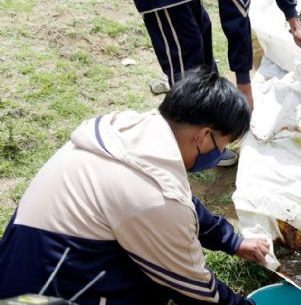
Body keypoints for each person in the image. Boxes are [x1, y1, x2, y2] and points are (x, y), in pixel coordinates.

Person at [0, 69, 268, 304]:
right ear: (203, 136)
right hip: (45, 292)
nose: (220, 155)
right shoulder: (154, 196)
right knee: (156, 280)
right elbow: (193, 288)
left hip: (19, 270)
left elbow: (181, 199)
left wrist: (234, 241)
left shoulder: (129, 134)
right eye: (222, 147)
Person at [124, 0, 301, 167]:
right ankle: (178, 153)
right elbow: (235, 11)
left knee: (200, 35)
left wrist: (294, 22)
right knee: (185, 61)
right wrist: (244, 87)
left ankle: (205, 136)